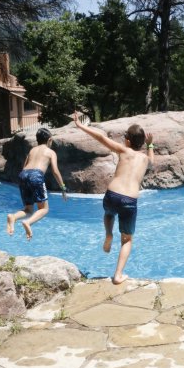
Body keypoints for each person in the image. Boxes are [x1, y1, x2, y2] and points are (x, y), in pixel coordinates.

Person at [73, 112, 154, 285]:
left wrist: (81, 126)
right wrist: (151, 144)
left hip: (112, 194)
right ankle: (118, 275)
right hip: (129, 200)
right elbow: (152, 159)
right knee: (127, 239)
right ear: (142, 143)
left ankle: (108, 233)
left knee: (109, 213)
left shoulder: (123, 150)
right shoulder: (146, 158)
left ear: (127, 141)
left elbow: (102, 138)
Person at [6, 128, 67, 240]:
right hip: (36, 176)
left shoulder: (32, 150)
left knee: (29, 209)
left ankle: (13, 217)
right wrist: (63, 187)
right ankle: (28, 223)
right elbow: (55, 171)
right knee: (44, 209)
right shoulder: (51, 152)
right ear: (49, 140)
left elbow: (24, 168)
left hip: (23, 175)